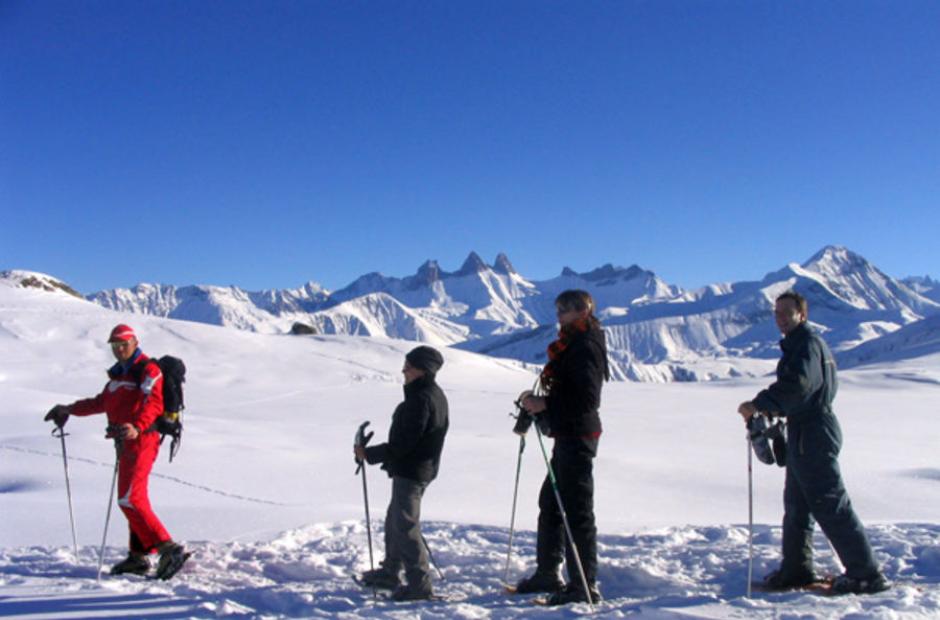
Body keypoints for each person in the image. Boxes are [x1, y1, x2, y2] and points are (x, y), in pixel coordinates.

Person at [737, 291, 889, 594]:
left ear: (801, 315)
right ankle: (797, 569)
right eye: (777, 312)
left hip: (813, 432)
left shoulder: (805, 345)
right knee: (798, 505)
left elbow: (799, 386)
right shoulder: (804, 344)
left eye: (787, 313)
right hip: (806, 431)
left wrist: (759, 404)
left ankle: (865, 573)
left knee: (830, 502)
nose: (780, 318)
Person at [44, 324, 187, 580]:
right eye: (115, 345)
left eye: (124, 344)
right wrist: (68, 409)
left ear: (135, 342)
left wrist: (137, 427)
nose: (119, 349)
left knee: (130, 498)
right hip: (125, 442)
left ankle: (168, 547)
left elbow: (153, 403)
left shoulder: (148, 370)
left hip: (142, 440)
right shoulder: (119, 375)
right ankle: (138, 556)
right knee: (132, 498)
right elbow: (100, 402)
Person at [513, 289, 609, 605]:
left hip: (577, 435)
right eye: (558, 308)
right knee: (553, 503)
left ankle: (583, 584)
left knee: (575, 510)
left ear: (584, 310)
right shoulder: (576, 341)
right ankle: (548, 573)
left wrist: (545, 403)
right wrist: (545, 405)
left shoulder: (585, 345)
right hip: (569, 433)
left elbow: (586, 399)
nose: (559, 314)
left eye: (566, 309)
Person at [354, 345, 450, 601]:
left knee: (405, 525)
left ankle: (419, 585)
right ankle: (390, 570)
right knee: (395, 519)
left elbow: (404, 443)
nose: (404, 371)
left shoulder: (421, 399)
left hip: (412, 471)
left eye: (409, 366)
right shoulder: (432, 395)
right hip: (417, 469)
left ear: (422, 370)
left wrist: (369, 454)